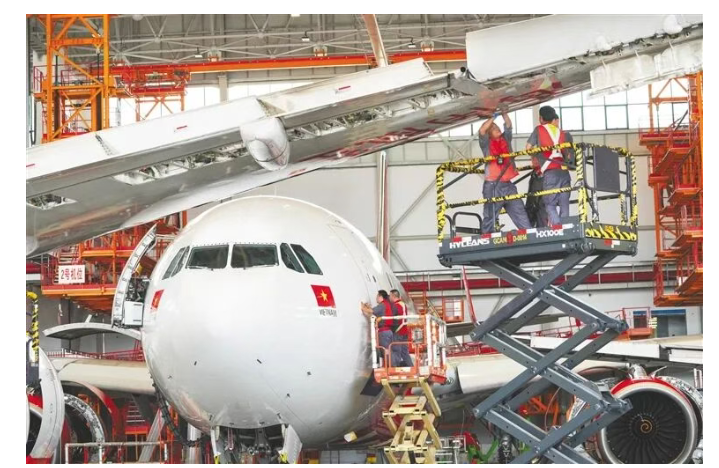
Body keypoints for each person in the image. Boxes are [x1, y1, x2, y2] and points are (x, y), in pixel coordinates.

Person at [478, 110, 532, 233]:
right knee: (490, 216)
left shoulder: (505, 139)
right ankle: (487, 239)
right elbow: (482, 130)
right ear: (489, 133)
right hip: (493, 185)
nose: (497, 128)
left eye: (497, 126)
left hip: (508, 184)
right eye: (493, 128)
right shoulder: (486, 143)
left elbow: (508, 125)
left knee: (520, 211)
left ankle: (530, 234)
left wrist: (504, 113)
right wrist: (493, 117)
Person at [526, 105, 575, 226]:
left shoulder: (539, 129)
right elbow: (567, 154)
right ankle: (565, 227)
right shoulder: (562, 133)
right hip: (563, 172)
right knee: (564, 204)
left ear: (541, 118)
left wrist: (537, 155)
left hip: (550, 172)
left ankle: (558, 229)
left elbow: (528, 148)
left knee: (550, 204)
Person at [361, 290, 400, 367]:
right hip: (389, 331)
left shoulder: (382, 305)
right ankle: (392, 366)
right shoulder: (387, 304)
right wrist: (368, 308)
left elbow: (371, 311)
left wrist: (363, 307)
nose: (376, 298)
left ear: (380, 297)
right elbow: (374, 312)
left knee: (385, 350)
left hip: (383, 332)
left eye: (377, 297)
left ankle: (391, 367)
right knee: (388, 349)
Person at [390, 289, 413, 367]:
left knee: (396, 351)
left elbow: (391, 318)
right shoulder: (403, 304)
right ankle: (411, 367)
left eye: (390, 296)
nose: (389, 297)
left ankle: (395, 368)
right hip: (404, 331)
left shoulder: (395, 306)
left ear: (393, 296)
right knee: (404, 352)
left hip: (398, 331)